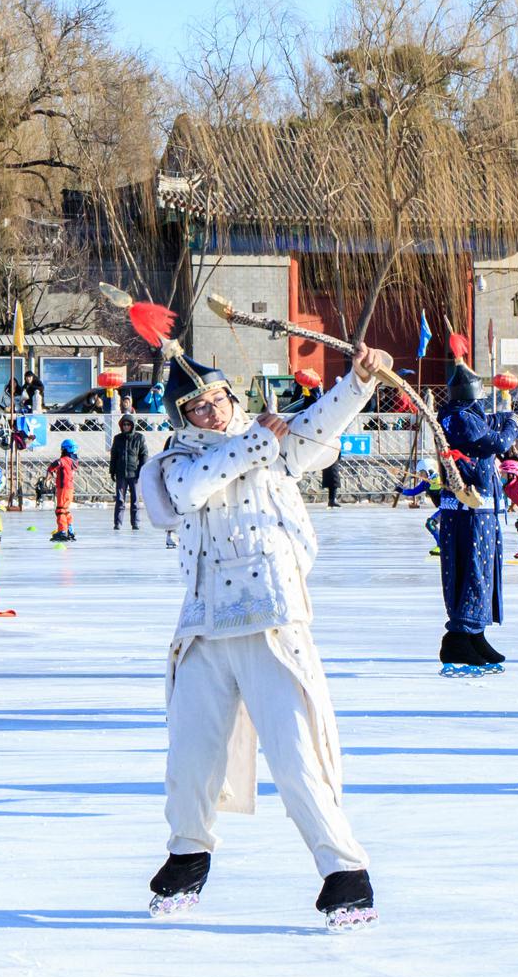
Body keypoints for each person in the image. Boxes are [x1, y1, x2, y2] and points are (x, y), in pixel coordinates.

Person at [137, 341, 388, 929]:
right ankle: (186, 858)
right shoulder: (176, 461)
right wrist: (257, 442)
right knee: (191, 756)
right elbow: (190, 490)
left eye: (219, 399)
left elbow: (317, 429)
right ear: (182, 418)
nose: (214, 413)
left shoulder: (273, 442)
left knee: (296, 752)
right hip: (203, 626)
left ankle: (344, 873)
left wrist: (357, 382)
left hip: (270, 617)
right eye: (198, 408)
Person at [436, 363, 518, 675]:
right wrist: (513, 425)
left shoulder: (463, 414)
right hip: (468, 510)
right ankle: (460, 635)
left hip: (478, 510)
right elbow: (495, 442)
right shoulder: (458, 417)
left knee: (483, 570)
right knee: (473, 569)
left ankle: (475, 634)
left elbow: (493, 421)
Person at [110, 415, 148, 528]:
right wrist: (112, 471)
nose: (126, 426)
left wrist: (141, 471)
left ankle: (135, 523)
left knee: (135, 500)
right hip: (121, 473)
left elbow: (144, 455)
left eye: (128, 424)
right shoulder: (118, 438)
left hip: (134, 474)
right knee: (120, 500)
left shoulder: (139, 438)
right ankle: (118, 523)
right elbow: (114, 456)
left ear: (132, 425)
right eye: (124, 424)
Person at [46, 438, 79, 542]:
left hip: (63, 488)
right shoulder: (74, 461)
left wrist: (48, 476)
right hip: (69, 489)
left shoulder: (64, 460)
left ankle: (62, 531)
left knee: (60, 510)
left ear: (65, 449)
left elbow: (53, 465)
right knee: (66, 510)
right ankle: (70, 530)